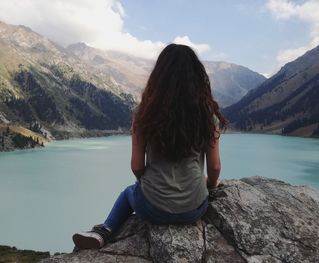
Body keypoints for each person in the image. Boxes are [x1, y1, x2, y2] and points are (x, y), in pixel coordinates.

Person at [72, 43, 227, 251]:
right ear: (198, 78)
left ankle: (104, 231)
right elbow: (214, 167)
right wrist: (212, 185)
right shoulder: (208, 116)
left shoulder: (144, 114)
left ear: (159, 76)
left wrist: (147, 185)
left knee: (129, 192)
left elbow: (137, 166)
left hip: (153, 208)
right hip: (194, 208)